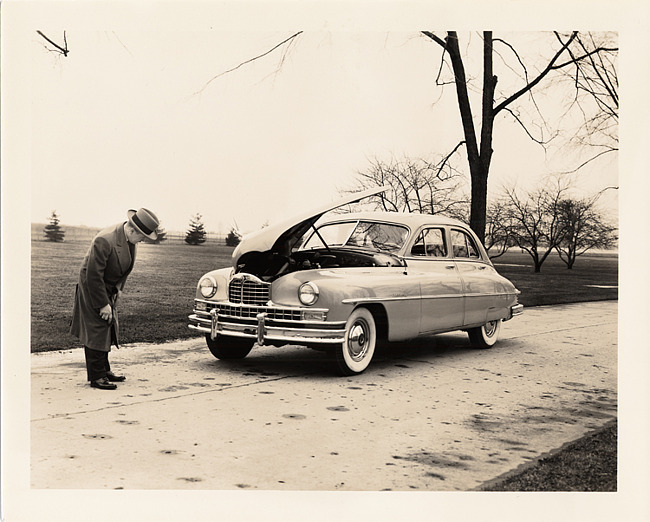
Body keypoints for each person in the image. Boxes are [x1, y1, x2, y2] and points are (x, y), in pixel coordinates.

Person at [70, 208, 160, 390]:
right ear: (132, 230)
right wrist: (103, 304)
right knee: (97, 328)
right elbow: (93, 275)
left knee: (107, 326)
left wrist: (118, 288)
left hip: (108, 287)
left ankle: (104, 369)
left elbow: (124, 268)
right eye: (142, 236)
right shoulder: (105, 240)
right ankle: (97, 377)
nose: (143, 240)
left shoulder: (129, 240)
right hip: (92, 288)